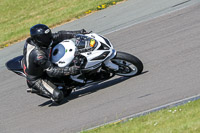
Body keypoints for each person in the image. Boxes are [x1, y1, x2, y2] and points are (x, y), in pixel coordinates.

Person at [22, 24, 87, 103]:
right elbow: (52, 71)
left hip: (44, 64)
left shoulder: (40, 40)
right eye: (45, 37)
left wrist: (78, 33)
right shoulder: (38, 55)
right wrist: (71, 70)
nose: (49, 38)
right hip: (38, 78)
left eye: (48, 35)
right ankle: (38, 89)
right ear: (38, 39)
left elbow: (59, 35)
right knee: (59, 95)